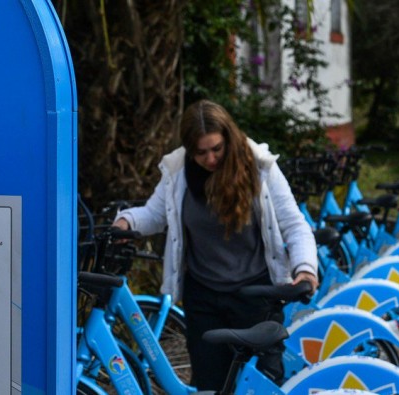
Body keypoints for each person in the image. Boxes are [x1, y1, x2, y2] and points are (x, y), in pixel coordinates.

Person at [113, 99, 318, 391]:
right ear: (189, 149)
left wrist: (306, 268)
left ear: (229, 139)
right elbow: (155, 215)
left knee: (259, 384)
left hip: (254, 297)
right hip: (204, 298)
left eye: (217, 149)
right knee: (210, 385)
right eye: (201, 152)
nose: (210, 159)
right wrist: (126, 222)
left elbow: (294, 224)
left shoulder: (258, 167)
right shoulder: (177, 172)